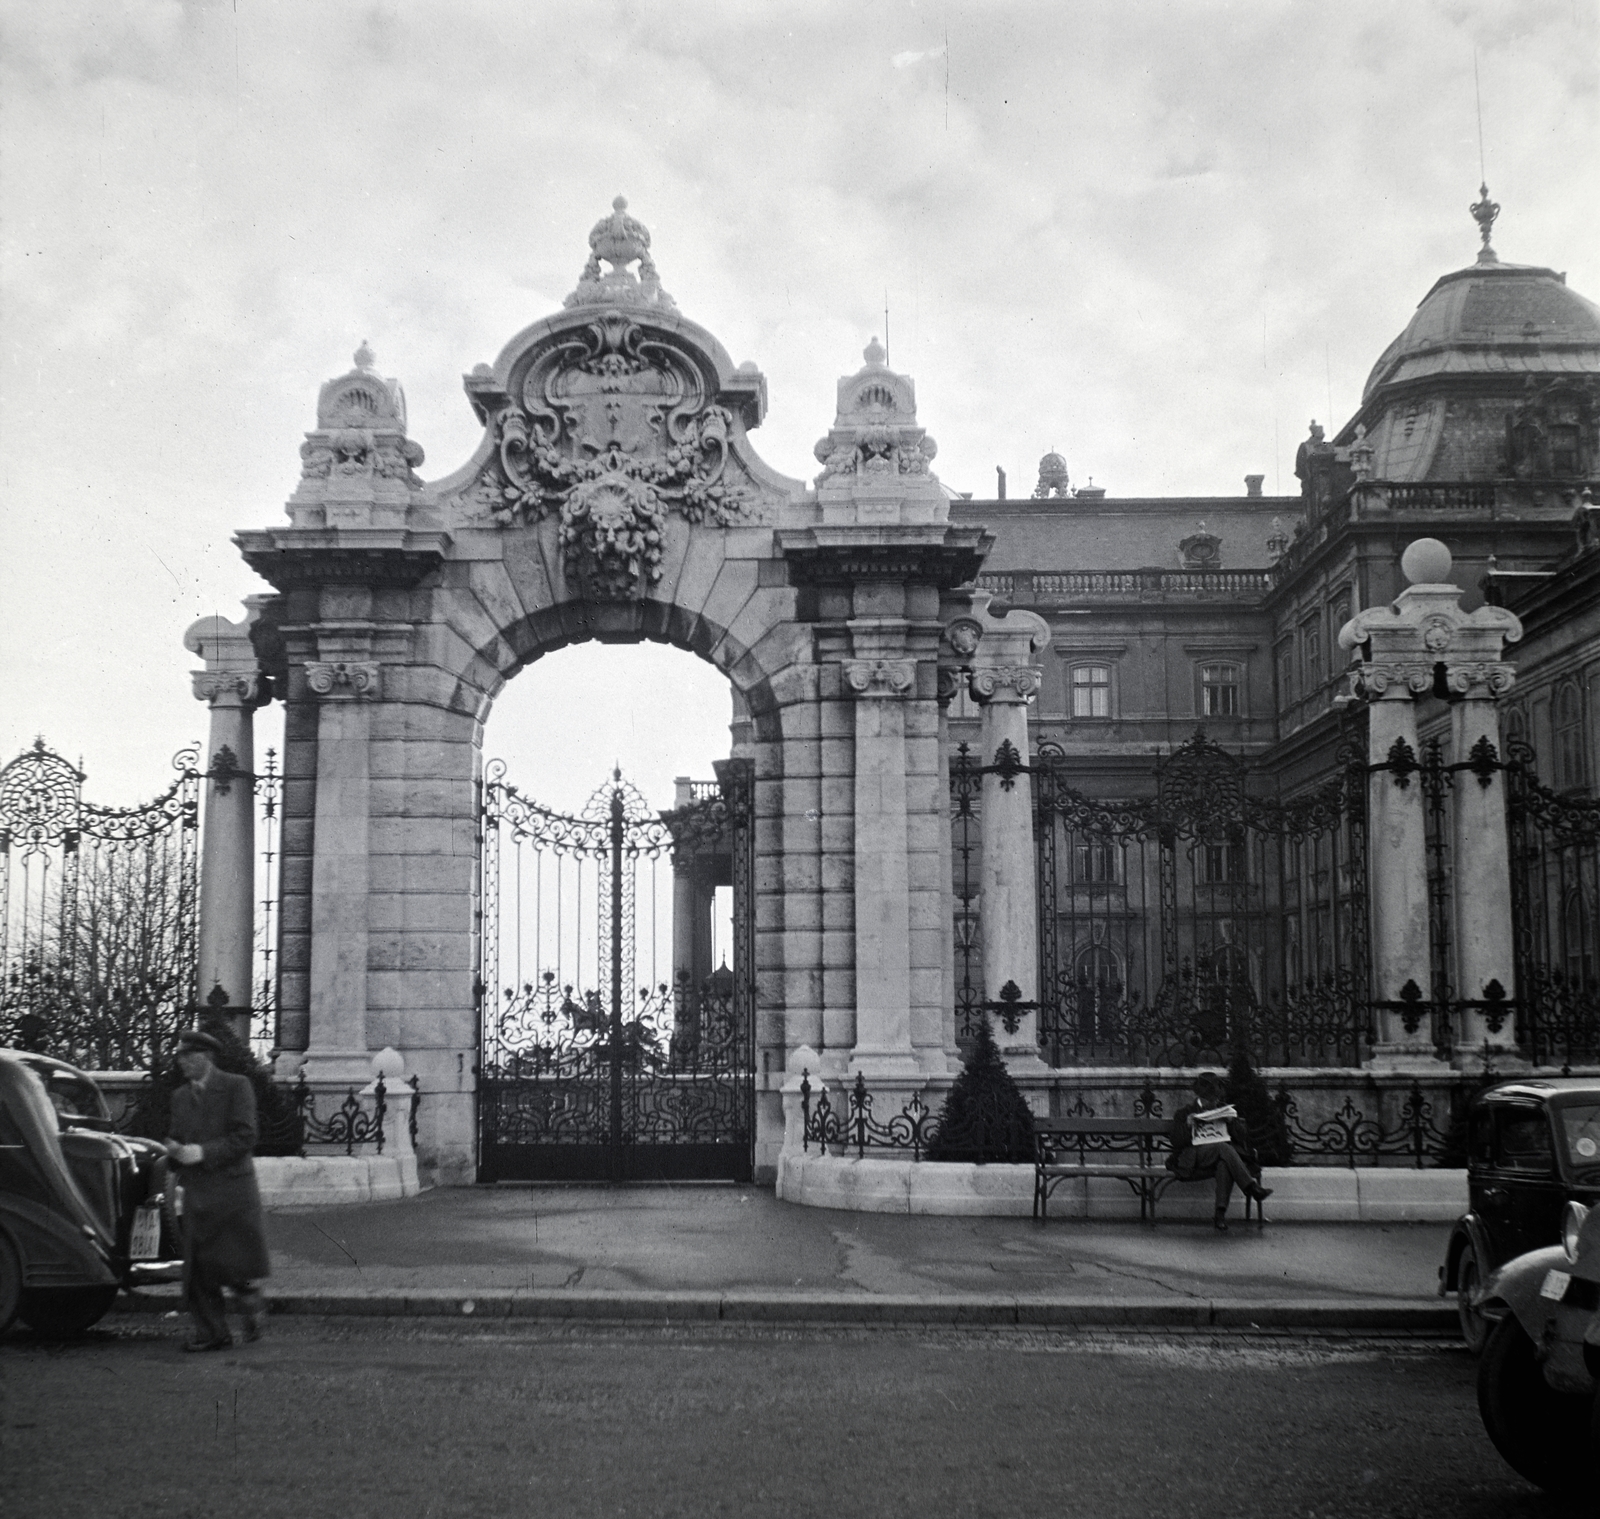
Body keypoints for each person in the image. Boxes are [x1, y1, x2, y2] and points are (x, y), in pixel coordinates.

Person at [164, 1029, 270, 1351]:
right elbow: (178, 1137)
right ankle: (213, 1334)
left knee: (233, 1265)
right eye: (180, 1057)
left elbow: (245, 1136)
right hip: (198, 1193)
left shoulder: (237, 1086)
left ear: (204, 1058)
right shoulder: (179, 1096)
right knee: (197, 1269)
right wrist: (174, 1152)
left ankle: (249, 1299)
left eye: (187, 1057)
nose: (181, 1063)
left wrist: (202, 1153)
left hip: (232, 1192)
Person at [1167, 1071, 1273, 1232]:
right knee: (1224, 1148)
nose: (1212, 1102)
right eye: (1208, 1099)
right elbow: (1176, 1141)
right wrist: (1187, 1125)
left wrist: (1232, 1122)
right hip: (1197, 1156)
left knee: (1224, 1164)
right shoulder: (1185, 1112)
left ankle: (1220, 1215)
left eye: (1214, 1098)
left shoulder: (1224, 1109)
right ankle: (1251, 1188)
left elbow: (1242, 1137)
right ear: (1200, 1098)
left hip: (1224, 1156)